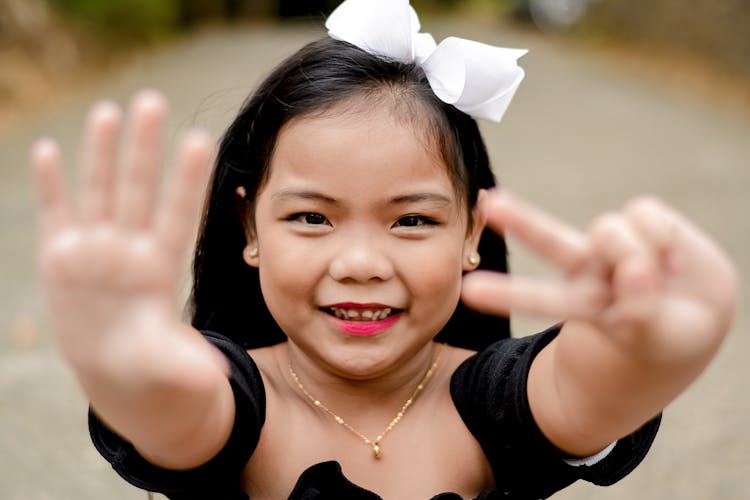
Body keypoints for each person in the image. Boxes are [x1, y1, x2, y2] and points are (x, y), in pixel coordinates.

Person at [31, 0, 737, 498]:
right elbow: (182, 408)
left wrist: (647, 353)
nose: (362, 263)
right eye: (311, 217)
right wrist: (127, 369)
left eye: (411, 222)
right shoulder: (236, 398)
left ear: (472, 232)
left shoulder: (491, 401)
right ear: (249, 230)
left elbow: (580, 387)